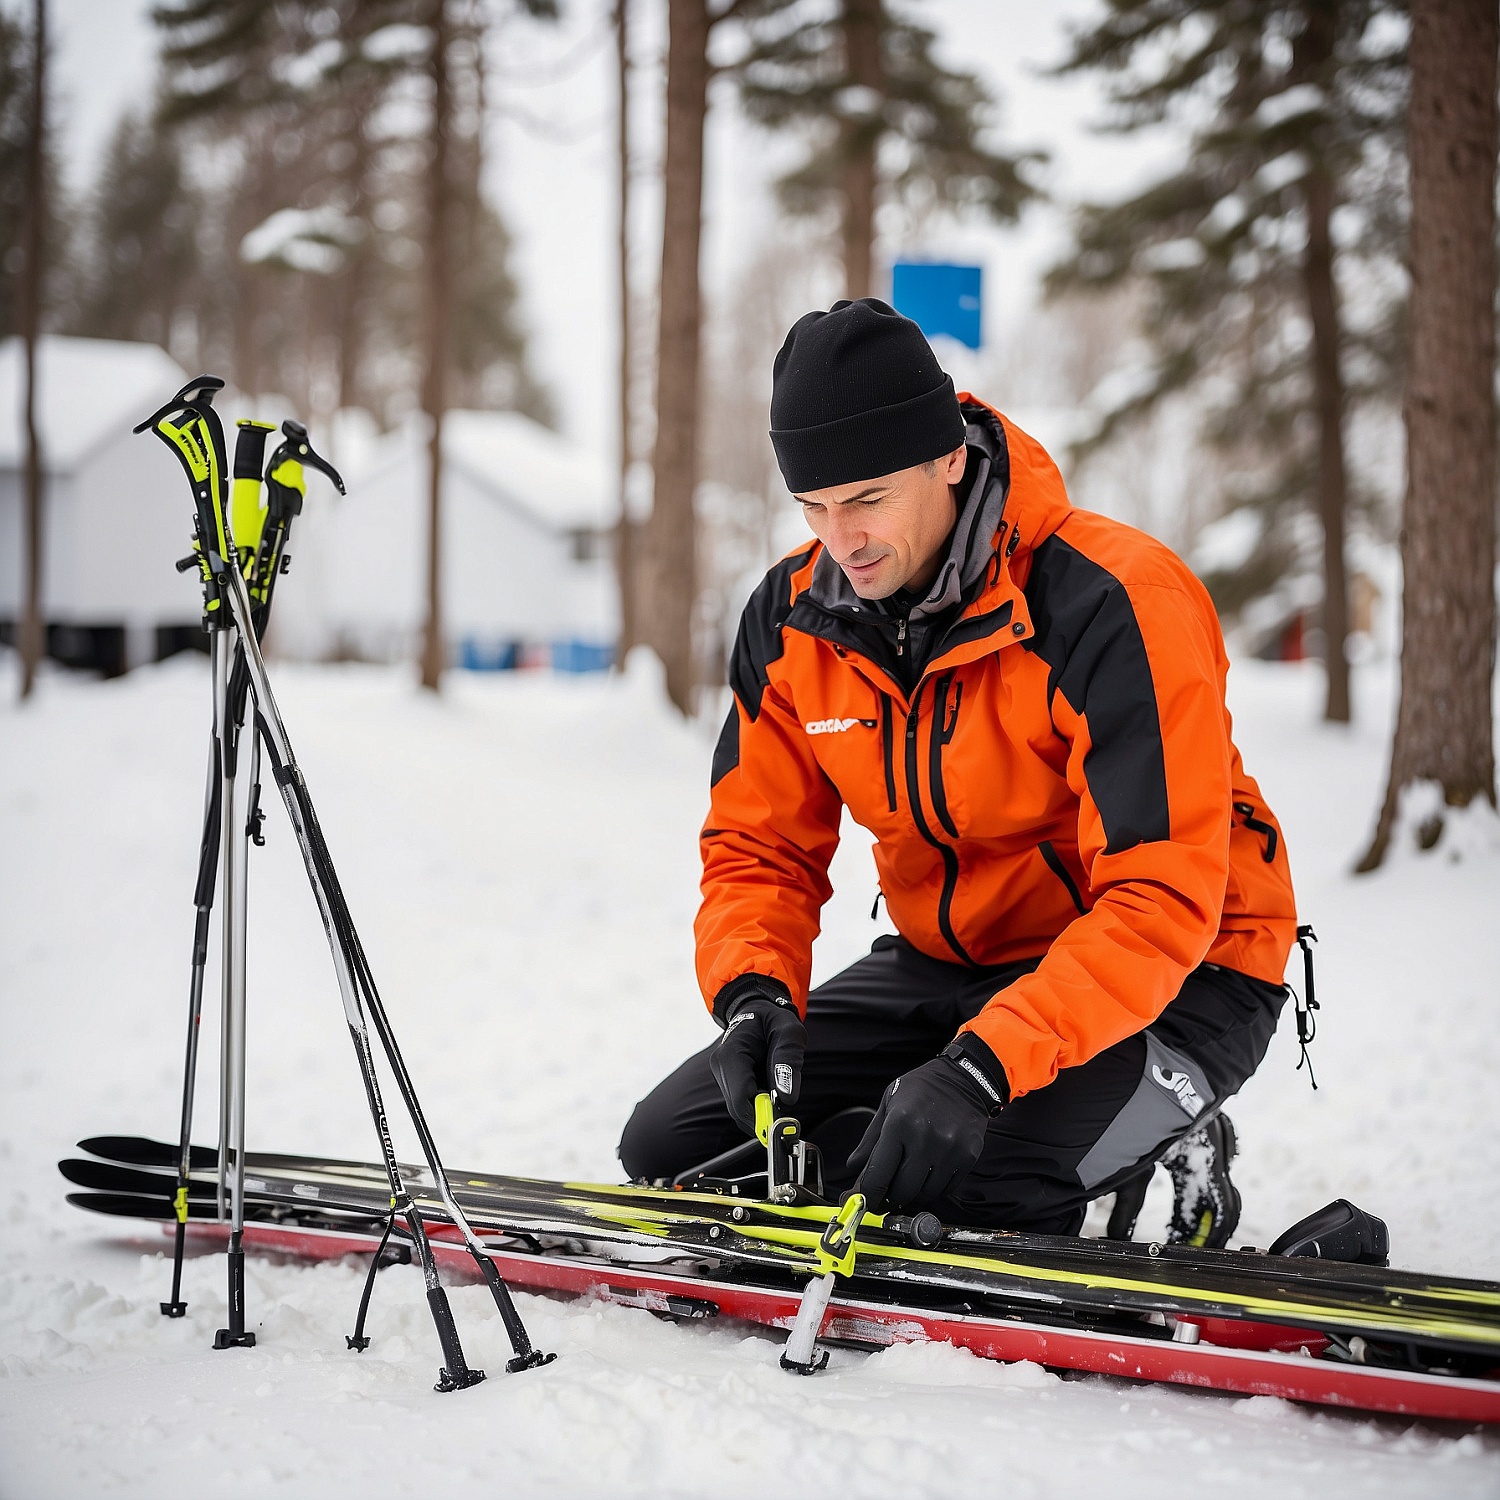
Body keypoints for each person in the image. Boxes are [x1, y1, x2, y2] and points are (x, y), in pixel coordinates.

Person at [619, 298, 1298, 1244]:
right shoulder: (791, 619)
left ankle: (1175, 1132)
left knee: (952, 1194)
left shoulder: (1113, 601)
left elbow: (1160, 896)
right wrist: (752, 994)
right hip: (953, 962)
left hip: (1184, 970)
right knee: (672, 1149)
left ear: (949, 458)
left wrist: (981, 1068)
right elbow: (758, 848)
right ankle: (943, 1119)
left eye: (868, 499)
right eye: (814, 506)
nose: (842, 540)